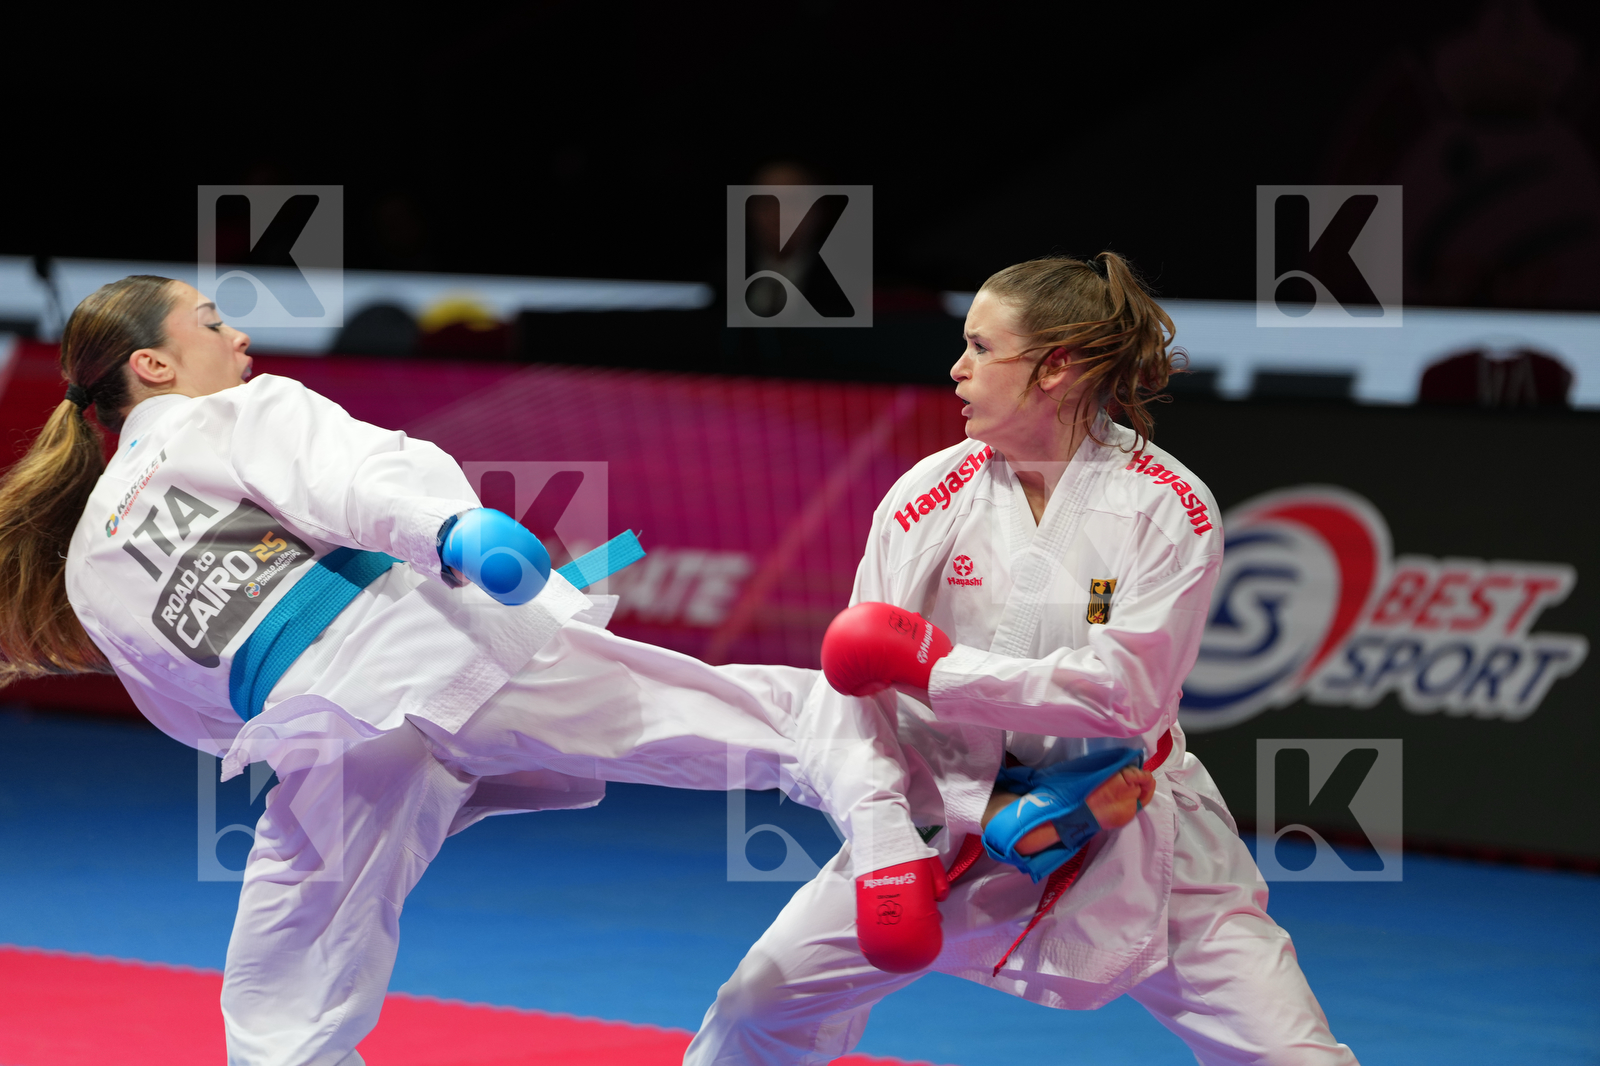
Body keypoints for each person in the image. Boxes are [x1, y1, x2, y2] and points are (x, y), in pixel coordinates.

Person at [0, 274, 1040, 1065]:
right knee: (773, 718)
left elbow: (185, 706)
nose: (241, 338)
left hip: (323, 733)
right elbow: (348, 475)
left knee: (283, 994)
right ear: (154, 368)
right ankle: (943, 815)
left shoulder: (90, 555)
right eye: (212, 324)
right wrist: (454, 529)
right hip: (439, 655)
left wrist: (283, 725)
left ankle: (929, 822)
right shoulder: (232, 410)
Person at [685, 254, 1359, 1065]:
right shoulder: (926, 497)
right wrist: (881, 844)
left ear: (1057, 368)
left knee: (1292, 1059)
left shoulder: (1166, 506)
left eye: (979, 346)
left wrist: (935, 668)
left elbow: (1125, 697)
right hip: (948, 820)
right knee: (756, 1006)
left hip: (1129, 823)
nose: (956, 367)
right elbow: (853, 705)